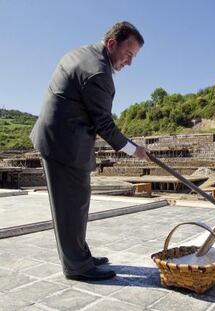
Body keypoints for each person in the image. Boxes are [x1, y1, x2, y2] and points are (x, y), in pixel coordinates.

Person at [30, 21, 150, 281]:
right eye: (128, 54)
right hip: (63, 144)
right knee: (70, 205)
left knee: (78, 201)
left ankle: (80, 254)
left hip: (66, 139)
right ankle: (76, 267)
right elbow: (104, 124)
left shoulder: (86, 53)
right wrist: (135, 150)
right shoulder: (98, 73)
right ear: (111, 44)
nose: (129, 63)